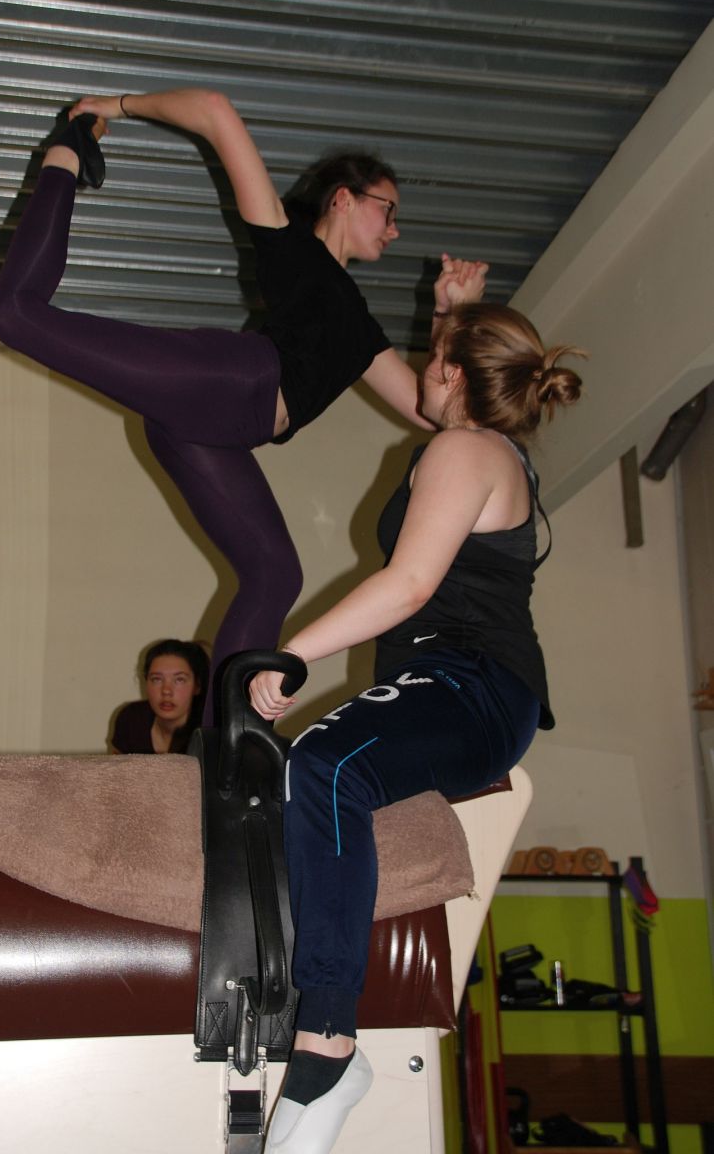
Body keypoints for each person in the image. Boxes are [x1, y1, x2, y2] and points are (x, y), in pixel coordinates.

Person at [0, 88, 487, 714]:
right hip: (229, 383)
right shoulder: (289, 242)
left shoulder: (359, 327)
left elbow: (432, 411)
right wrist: (114, 107)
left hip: (214, 428)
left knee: (275, 572)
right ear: (343, 198)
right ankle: (66, 152)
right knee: (15, 315)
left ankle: (220, 742)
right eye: (387, 210)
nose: (395, 229)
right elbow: (216, 113)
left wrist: (449, 315)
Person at [248, 301, 584, 1154]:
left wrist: (291, 654)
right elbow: (404, 380)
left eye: (432, 356)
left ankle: (328, 1043)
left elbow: (408, 586)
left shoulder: (464, 451)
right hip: (459, 683)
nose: (419, 368)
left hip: (471, 683)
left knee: (325, 765)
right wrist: (451, 313)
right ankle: (329, 1044)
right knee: (321, 773)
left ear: (454, 375)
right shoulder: (478, 446)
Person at [111, 638, 209, 755]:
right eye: (157, 679)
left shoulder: (209, 731)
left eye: (179, 680)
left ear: (197, 686)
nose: (166, 691)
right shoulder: (131, 720)